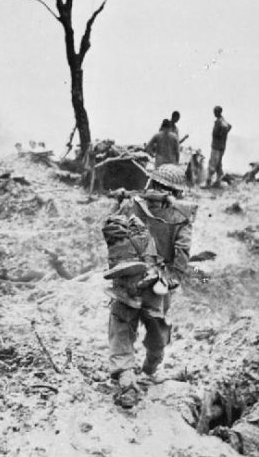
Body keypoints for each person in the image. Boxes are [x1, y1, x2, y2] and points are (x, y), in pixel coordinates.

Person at [104, 164, 196, 408]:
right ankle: (148, 370)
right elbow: (183, 251)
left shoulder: (132, 204)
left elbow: (111, 231)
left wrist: (118, 203)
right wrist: (174, 276)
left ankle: (126, 375)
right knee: (156, 328)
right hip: (159, 280)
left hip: (128, 275)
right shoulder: (182, 216)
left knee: (122, 323)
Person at [207, 105, 232, 188]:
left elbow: (227, 127)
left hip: (217, 147)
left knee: (212, 164)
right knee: (218, 165)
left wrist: (220, 135)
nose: (214, 113)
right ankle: (218, 181)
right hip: (220, 147)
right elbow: (229, 126)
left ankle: (208, 182)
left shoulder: (220, 122)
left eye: (215, 112)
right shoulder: (222, 121)